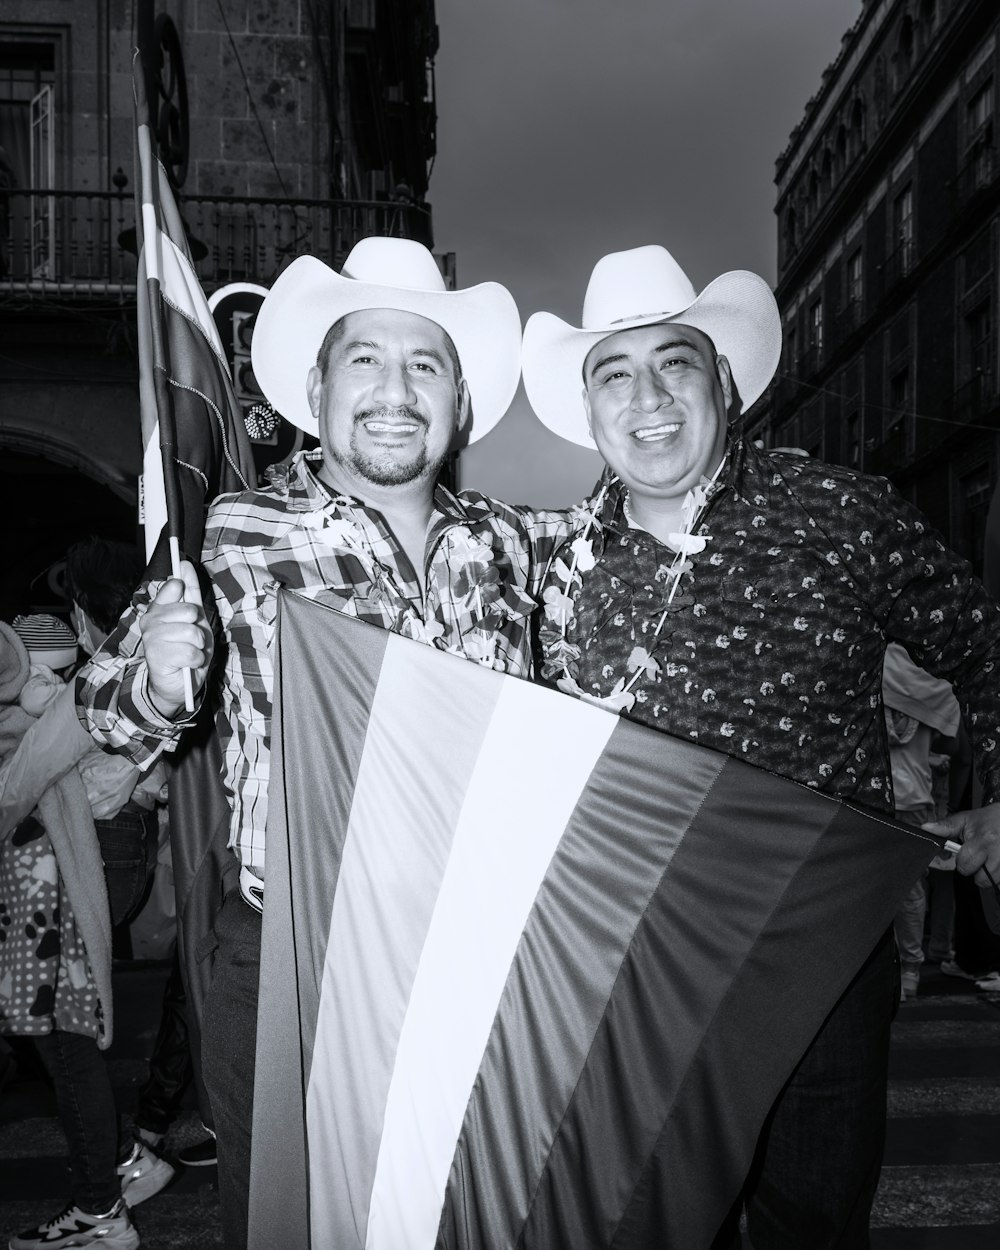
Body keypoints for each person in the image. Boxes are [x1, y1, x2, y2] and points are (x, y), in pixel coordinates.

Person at [74, 236, 571, 1250]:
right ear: (316, 385)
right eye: (365, 360)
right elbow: (103, 708)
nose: (395, 389)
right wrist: (162, 679)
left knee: (465, 1215)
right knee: (302, 1228)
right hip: (292, 955)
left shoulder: (514, 543)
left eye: (424, 364)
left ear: (460, 402)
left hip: (472, 957)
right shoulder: (230, 532)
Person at [521, 243, 1000, 1248]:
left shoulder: (839, 513)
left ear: (721, 382)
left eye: (673, 364)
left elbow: (982, 640)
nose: (646, 397)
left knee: (810, 1227)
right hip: (637, 973)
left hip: (820, 956)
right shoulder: (553, 564)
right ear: (591, 407)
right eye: (615, 373)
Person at [4, 596, 173, 1250]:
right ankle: (125, 1161)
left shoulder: (50, 703)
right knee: (54, 1043)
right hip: (44, 899)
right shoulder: (55, 699)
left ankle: (102, 1210)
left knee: (65, 1048)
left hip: (45, 904)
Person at [881, 642, 961, 1001]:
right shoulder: (929, 690)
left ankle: (884, 970)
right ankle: (911, 971)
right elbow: (951, 743)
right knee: (911, 890)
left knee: (871, 888)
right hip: (916, 798)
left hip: (873, 798)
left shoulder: (870, 678)